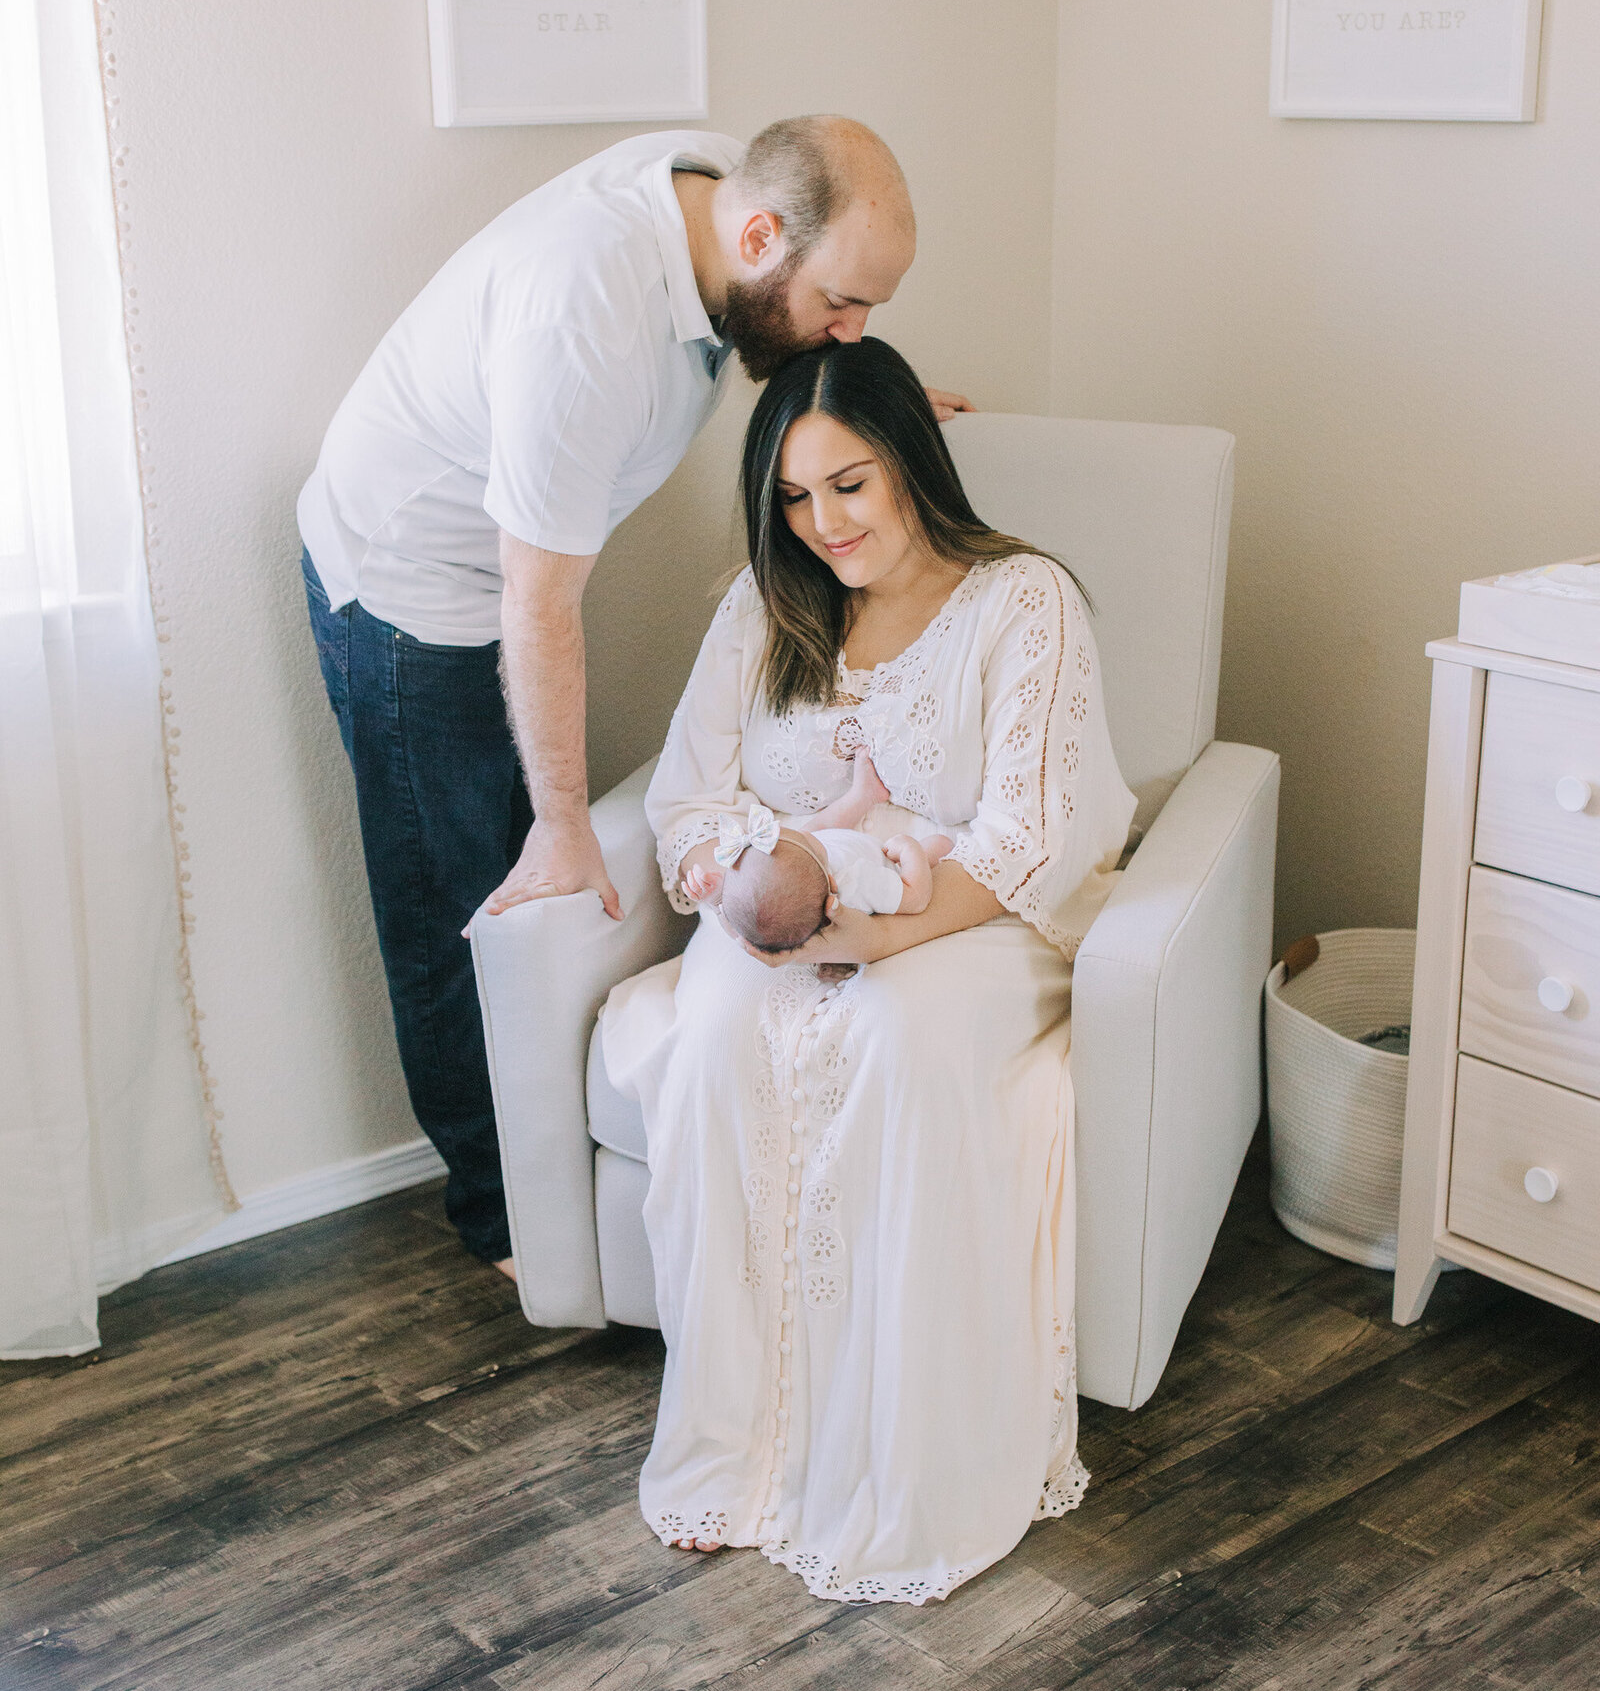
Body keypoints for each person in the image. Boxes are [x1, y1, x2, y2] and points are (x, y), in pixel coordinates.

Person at [299, 118, 968, 1275]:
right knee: (459, 896)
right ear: (757, 238)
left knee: (506, 867)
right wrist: (561, 828)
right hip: (415, 590)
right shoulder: (583, 315)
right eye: (844, 306)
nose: (853, 328)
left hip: (506, 574)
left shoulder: (725, 210)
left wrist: (881, 415)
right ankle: (500, 1220)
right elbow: (537, 604)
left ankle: (530, 1189)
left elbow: (791, 342)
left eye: (869, 312)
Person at [599, 337, 1137, 1604]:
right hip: (787, 911)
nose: (823, 522)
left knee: (893, 1045)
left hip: (979, 922)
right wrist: (752, 880)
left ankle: (892, 1472)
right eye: (793, 495)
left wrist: (880, 933)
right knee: (719, 1043)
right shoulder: (766, 604)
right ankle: (737, 1450)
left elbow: (1031, 829)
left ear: (911, 461)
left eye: (849, 483)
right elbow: (688, 797)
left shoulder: (1022, 600)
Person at [688, 753, 953, 953]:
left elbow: (740, 934)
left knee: (812, 831)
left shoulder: (804, 883)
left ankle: (864, 794)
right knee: (940, 844)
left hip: (831, 856)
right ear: (828, 877)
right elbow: (916, 898)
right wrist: (910, 849)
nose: (781, 831)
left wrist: (717, 901)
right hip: (887, 861)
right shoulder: (857, 883)